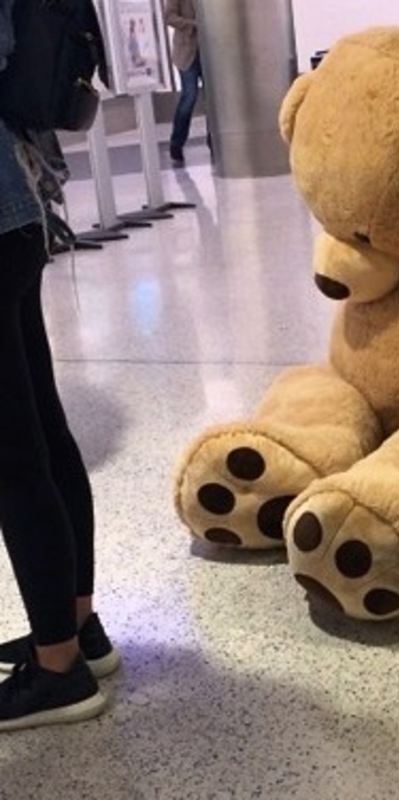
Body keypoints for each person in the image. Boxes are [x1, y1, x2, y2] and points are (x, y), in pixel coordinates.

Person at [0, 0, 120, 731]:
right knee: (39, 420)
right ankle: (77, 628)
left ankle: (56, 671)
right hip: (20, 193)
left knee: (13, 450)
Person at [165, 0, 202, 166]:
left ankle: (214, 141)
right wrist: (192, 24)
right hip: (186, 52)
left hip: (211, 50)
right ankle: (176, 144)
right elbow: (169, 16)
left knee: (215, 99)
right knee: (189, 95)